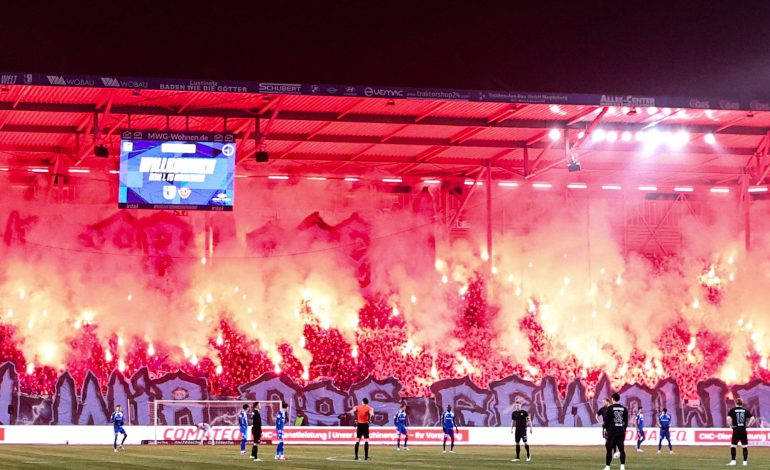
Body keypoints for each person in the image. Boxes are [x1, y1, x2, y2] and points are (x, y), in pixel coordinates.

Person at [603, 393, 628, 470]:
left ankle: (607, 467)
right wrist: (623, 429)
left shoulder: (610, 408)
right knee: (621, 449)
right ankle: (622, 466)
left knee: (609, 449)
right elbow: (626, 422)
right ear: (619, 399)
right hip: (620, 432)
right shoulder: (624, 409)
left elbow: (607, 421)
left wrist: (605, 427)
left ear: (612, 399)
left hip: (612, 432)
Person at [726, 397, 754, 467]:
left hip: (736, 430)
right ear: (742, 403)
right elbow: (752, 418)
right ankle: (745, 462)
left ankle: (733, 461)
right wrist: (749, 425)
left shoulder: (732, 410)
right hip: (743, 430)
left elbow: (728, 418)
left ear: (735, 403)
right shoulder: (745, 410)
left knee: (733, 446)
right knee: (744, 446)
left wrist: (730, 425)